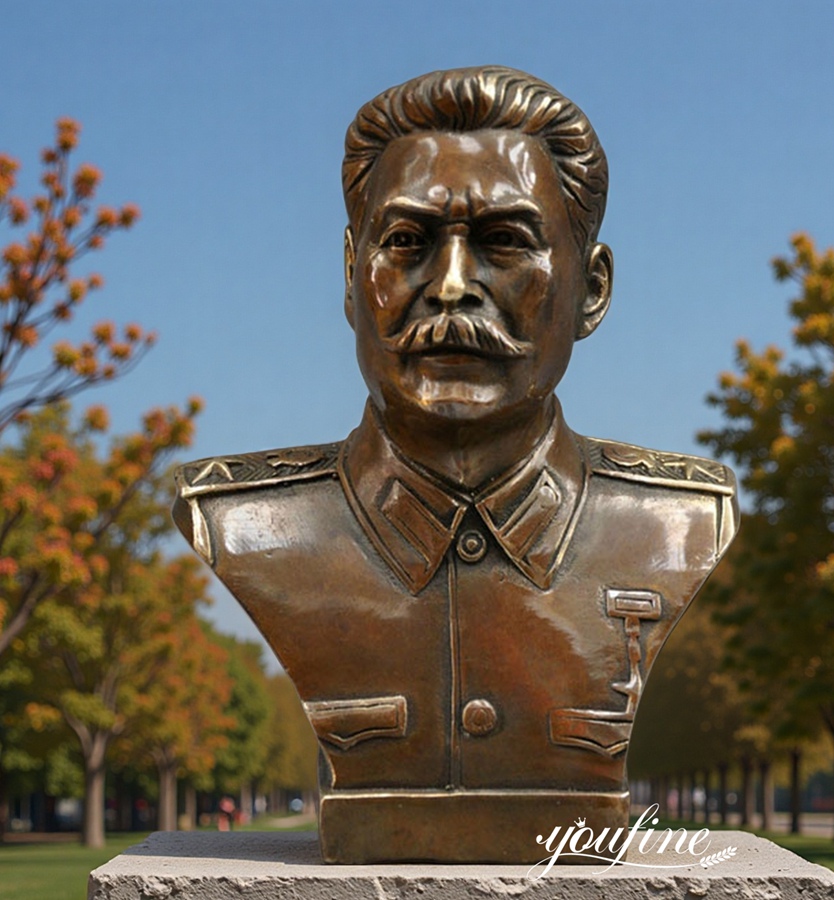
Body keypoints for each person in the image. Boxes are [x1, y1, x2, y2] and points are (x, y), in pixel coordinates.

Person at [173, 66, 738, 863]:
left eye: (505, 242)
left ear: (592, 288)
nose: (449, 286)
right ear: (351, 277)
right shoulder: (243, 525)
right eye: (407, 242)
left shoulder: (683, 525)